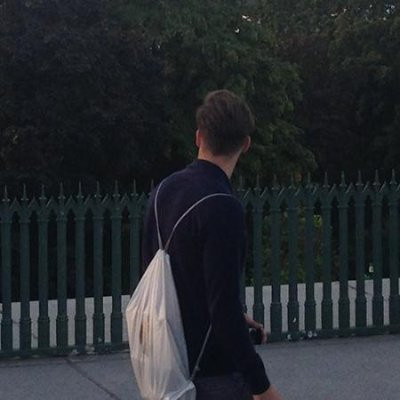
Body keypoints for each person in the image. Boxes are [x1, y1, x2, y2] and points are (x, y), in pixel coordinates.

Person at [142, 90, 283, 400]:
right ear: (245, 144)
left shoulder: (162, 192)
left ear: (199, 137)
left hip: (165, 362)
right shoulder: (223, 206)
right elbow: (224, 312)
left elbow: (162, 277)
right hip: (211, 370)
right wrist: (262, 388)